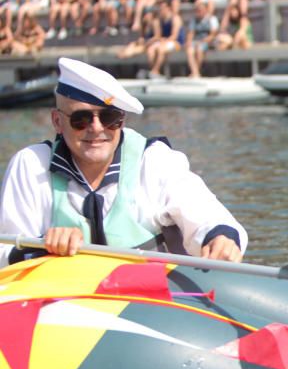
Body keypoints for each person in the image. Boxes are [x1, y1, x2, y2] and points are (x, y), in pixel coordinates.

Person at [0, 57, 247, 266]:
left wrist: (221, 238)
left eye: (110, 118)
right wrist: (42, 244)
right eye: (81, 119)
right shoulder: (30, 165)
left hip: (150, 303)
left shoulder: (154, 160)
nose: (97, 129)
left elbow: (209, 216)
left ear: (123, 121)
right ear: (57, 122)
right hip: (59, 305)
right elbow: (4, 252)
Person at [186, 0, 219, 78]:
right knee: (190, 50)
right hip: (197, 41)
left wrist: (202, 41)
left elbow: (213, 34)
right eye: (197, 10)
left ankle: (196, 72)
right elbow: (191, 33)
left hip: (208, 42)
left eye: (200, 10)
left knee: (199, 49)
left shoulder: (211, 19)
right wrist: (189, 42)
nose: (199, 12)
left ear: (205, 10)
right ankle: (195, 72)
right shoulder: (194, 20)